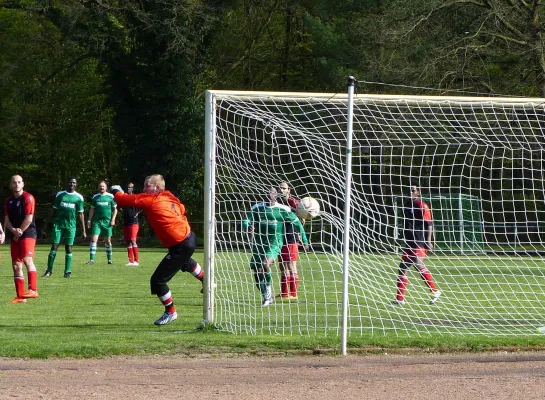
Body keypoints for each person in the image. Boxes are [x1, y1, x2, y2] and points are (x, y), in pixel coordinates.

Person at [110, 174, 204, 325]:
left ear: (157, 188)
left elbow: (124, 200)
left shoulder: (152, 199)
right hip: (188, 237)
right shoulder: (169, 196)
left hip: (181, 243)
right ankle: (206, 281)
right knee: (185, 262)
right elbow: (182, 207)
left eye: (148, 185)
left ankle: (170, 312)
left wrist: (115, 191)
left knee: (157, 281)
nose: (144, 188)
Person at [242, 187, 309, 307]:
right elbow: (246, 220)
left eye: (271, 193)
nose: (269, 195)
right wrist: (248, 226)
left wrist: (304, 241)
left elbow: (298, 223)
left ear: (275, 196)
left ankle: (277, 295)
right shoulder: (257, 208)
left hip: (275, 243)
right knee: (258, 273)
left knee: (265, 265)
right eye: (267, 193)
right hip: (259, 244)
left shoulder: (283, 210)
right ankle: (267, 295)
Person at [392, 184, 441, 305]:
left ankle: (435, 291)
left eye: (413, 190)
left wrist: (429, 241)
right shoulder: (406, 206)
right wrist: (401, 236)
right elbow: (405, 224)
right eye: (408, 190)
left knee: (418, 264)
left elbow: (429, 224)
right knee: (402, 269)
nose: (410, 192)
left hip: (419, 241)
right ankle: (400, 299)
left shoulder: (422, 205)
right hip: (409, 242)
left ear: (418, 192)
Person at [3, 175, 38, 303]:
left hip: (28, 232)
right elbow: (7, 220)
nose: (16, 184)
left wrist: (19, 232)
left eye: (19, 182)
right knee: (16, 265)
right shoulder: (8, 201)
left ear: (23, 184)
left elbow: (29, 219)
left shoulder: (28, 198)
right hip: (15, 234)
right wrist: (13, 231)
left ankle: (33, 289)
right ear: (11, 185)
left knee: (27, 259)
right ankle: (20, 297)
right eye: (14, 182)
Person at [42, 177, 87, 278]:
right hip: (58, 224)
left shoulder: (79, 197)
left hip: (71, 226)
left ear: (76, 184)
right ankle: (49, 271)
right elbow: (53, 209)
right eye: (70, 182)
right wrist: (46, 224)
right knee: (54, 246)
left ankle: (67, 272)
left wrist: (84, 230)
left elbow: (81, 214)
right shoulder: (60, 195)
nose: (72, 184)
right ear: (67, 183)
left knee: (69, 248)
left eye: (74, 182)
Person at [276, 181, 305, 300]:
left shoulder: (293, 202)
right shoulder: (276, 203)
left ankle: (293, 293)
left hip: (291, 237)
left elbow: (303, 217)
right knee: (283, 266)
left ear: (289, 190)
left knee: (292, 265)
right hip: (279, 237)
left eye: (284, 188)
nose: (281, 190)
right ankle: (284, 294)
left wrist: (300, 233)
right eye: (280, 188)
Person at [87, 181, 117, 265]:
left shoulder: (110, 196)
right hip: (97, 222)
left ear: (106, 187)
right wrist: (89, 220)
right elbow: (92, 209)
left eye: (103, 186)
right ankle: (91, 260)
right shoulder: (95, 197)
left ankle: (109, 260)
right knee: (94, 240)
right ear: (98, 187)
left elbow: (115, 209)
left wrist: (113, 219)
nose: (102, 188)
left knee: (107, 241)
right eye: (100, 186)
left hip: (107, 222)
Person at [118, 183, 140, 266]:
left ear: (133, 189)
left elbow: (142, 206)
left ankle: (136, 261)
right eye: (127, 187)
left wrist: (137, 213)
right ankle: (131, 261)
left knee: (133, 240)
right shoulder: (124, 198)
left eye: (130, 187)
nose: (128, 188)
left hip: (134, 222)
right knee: (128, 242)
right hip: (126, 221)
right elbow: (118, 206)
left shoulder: (135, 198)